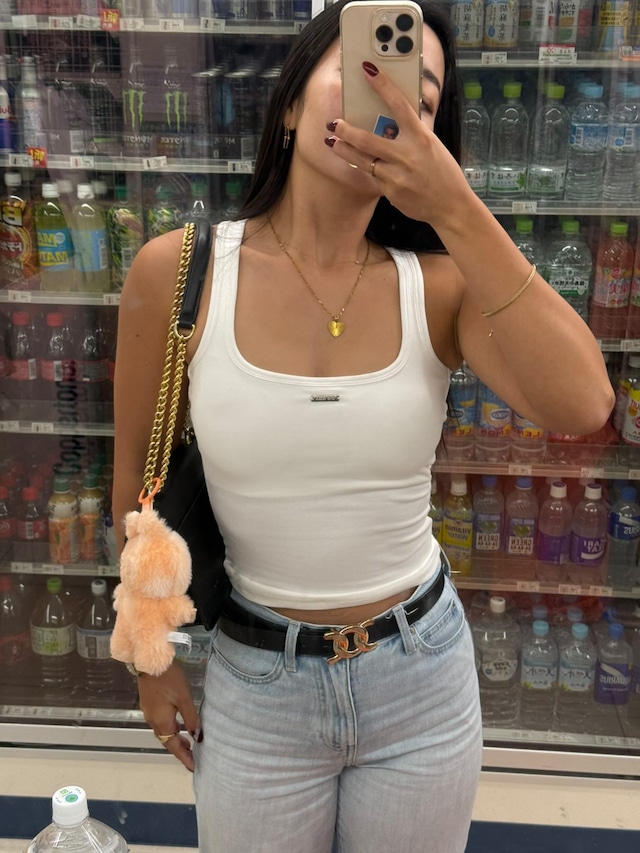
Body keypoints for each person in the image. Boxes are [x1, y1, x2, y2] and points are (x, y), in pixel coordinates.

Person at [112, 1, 614, 851]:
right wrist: (147, 661)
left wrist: (458, 208)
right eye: (360, 73)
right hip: (256, 685)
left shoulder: (439, 287)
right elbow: (136, 484)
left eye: (419, 100)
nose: (389, 105)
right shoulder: (179, 272)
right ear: (289, 107)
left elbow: (584, 402)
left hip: (421, 680)